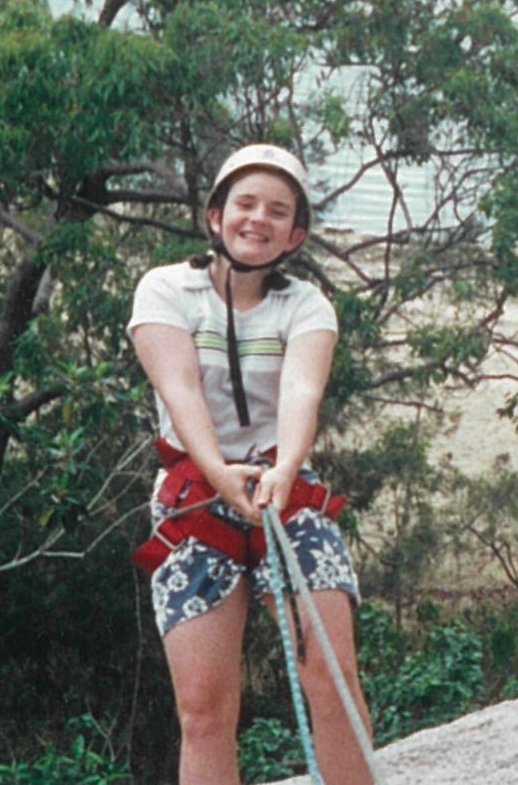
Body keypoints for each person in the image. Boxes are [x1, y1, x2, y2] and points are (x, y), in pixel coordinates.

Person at [128, 144, 375, 784]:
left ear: (294, 233)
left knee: (332, 678)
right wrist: (215, 471)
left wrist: (285, 468)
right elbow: (179, 391)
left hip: (285, 489)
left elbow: (301, 393)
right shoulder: (165, 290)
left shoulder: (305, 305)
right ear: (216, 216)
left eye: (276, 211)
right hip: (192, 499)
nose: (257, 220)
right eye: (245, 204)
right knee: (205, 708)